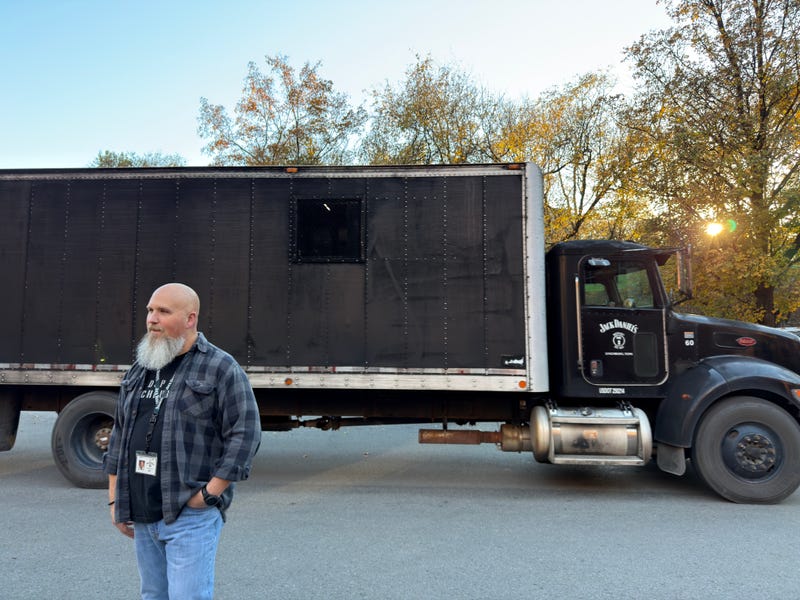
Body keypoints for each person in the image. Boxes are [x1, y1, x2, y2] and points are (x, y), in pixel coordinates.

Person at [104, 283, 261, 600]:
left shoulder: (220, 367)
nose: (152, 319)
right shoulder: (141, 368)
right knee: (153, 596)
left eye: (163, 311)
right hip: (143, 511)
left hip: (189, 513)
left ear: (190, 319)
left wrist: (208, 494)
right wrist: (114, 499)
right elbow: (120, 434)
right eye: (150, 310)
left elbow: (245, 434)